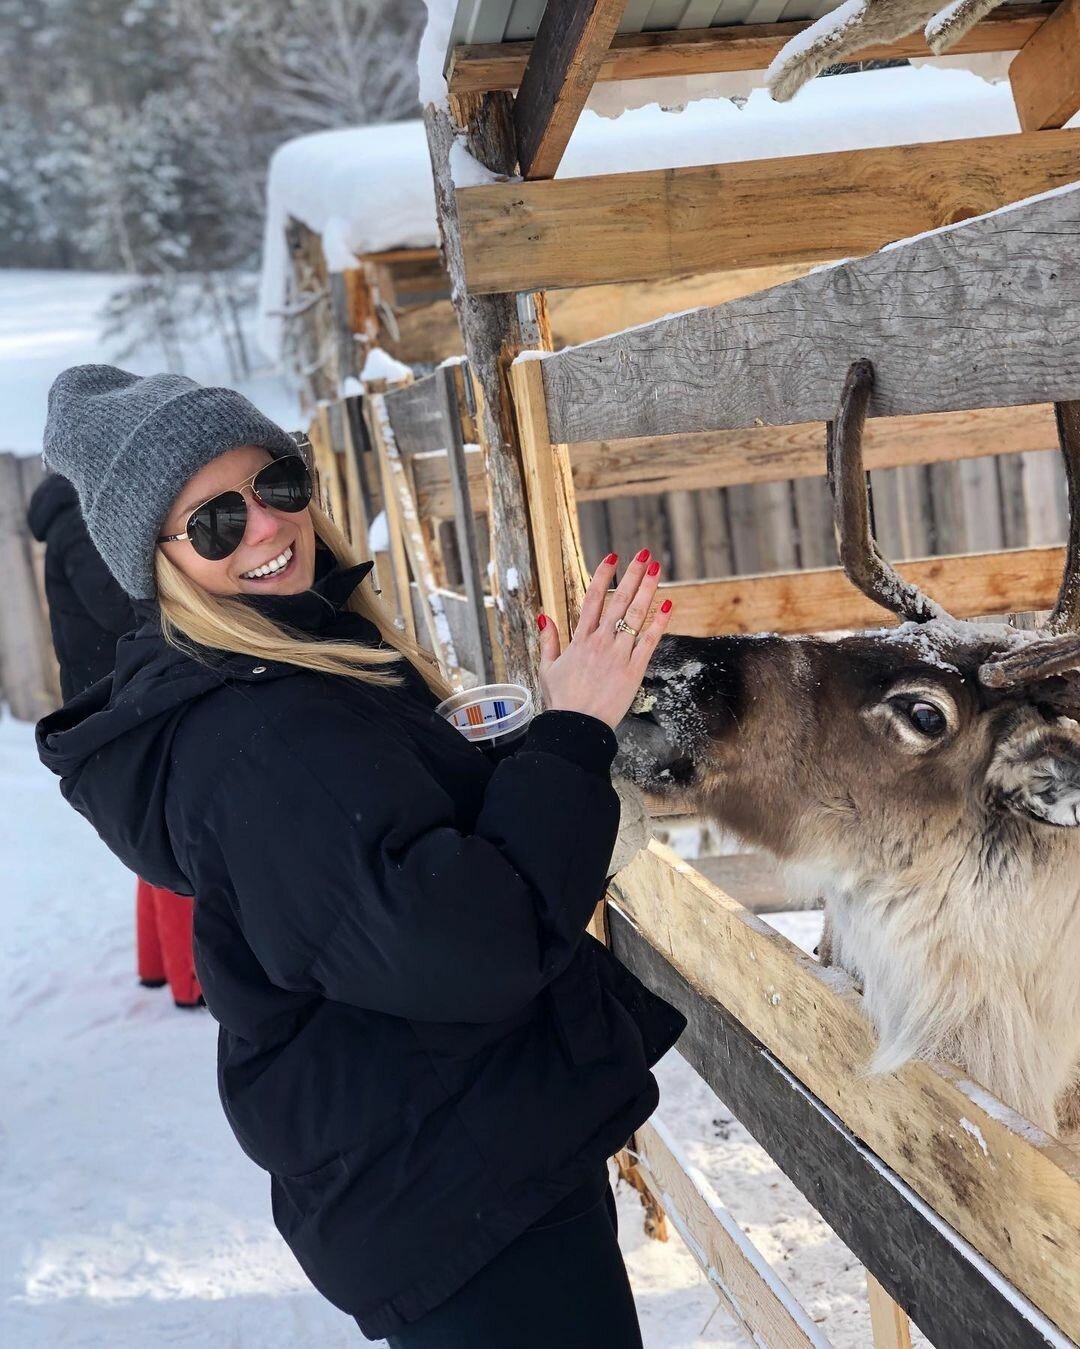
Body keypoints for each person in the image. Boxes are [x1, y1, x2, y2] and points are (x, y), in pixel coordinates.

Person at [36, 365, 685, 1348]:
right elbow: (467, 950)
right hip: (455, 1186)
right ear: (158, 560)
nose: (264, 525)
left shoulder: (302, 661)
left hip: (458, 1155)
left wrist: (501, 757)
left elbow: (397, 880)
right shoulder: (263, 734)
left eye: (278, 485)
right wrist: (570, 736)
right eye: (215, 520)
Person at [28, 470, 203, 1009]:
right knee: (177, 842)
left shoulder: (69, 521)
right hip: (121, 697)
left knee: (158, 835)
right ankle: (189, 980)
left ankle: (158, 965)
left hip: (113, 693)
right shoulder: (80, 523)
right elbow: (113, 604)